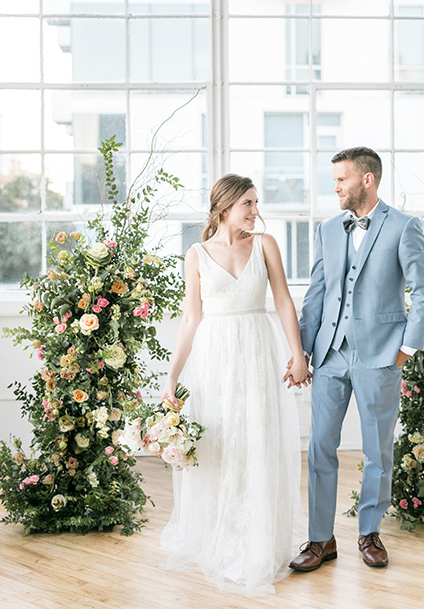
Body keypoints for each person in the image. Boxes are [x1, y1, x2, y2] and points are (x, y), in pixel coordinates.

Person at [161, 173, 310, 596]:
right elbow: (191, 318)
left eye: (256, 202)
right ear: (225, 206)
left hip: (258, 352)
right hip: (215, 357)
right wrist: (172, 375)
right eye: (248, 203)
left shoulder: (265, 245)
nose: (255, 211)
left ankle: (258, 539)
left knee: (258, 440)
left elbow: (283, 299)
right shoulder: (195, 254)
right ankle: (222, 535)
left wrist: (297, 354)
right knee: (222, 443)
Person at [289, 147, 424, 572]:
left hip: (380, 355)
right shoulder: (328, 230)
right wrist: (301, 350)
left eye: (342, 179)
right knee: (319, 447)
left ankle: (369, 532)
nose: (335, 187)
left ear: (367, 180)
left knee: (377, 451)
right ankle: (321, 540)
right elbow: (315, 294)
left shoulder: (404, 227)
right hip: (331, 355)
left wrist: (407, 347)